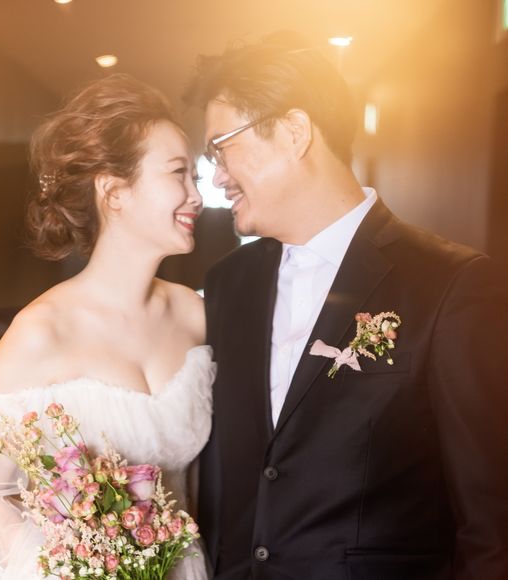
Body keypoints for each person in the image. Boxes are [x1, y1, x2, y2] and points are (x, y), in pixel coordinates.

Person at [184, 35, 508, 580]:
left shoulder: (450, 284)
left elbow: (491, 524)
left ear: (294, 132)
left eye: (223, 147)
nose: (216, 175)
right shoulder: (227, 283)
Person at [0, 73, 214, 580]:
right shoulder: (43, 332)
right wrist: (77, 568)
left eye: (195, 177)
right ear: (114, 191)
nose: (196, 196)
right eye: (179, 173)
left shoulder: (196, 317)